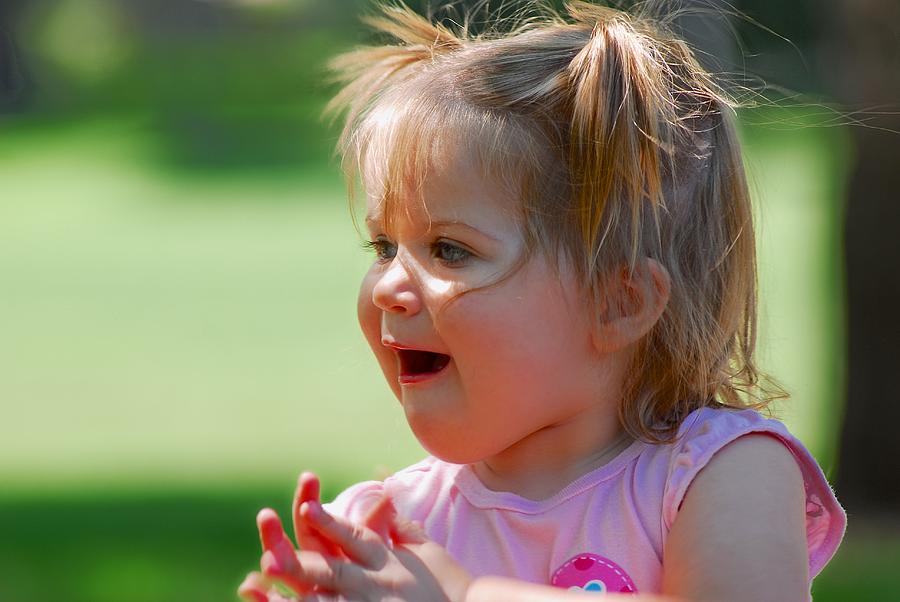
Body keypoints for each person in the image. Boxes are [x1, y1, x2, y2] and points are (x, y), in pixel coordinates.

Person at [238, 1, 845, 600]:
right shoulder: (389, 531)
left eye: (449, 250)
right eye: (383, 245)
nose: (391, 287)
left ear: (618, 302)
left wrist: (468, 595)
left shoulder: (719, 475)